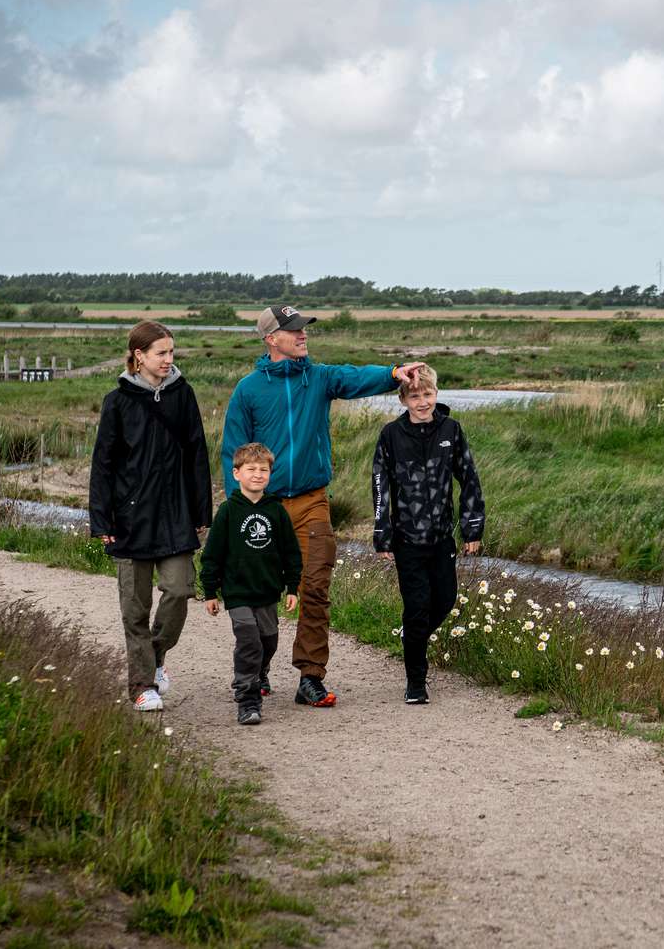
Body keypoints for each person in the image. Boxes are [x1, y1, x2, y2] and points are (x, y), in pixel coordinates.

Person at [220, 305, 423, 708]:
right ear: (270, 339)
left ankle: (310, 676)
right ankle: (257, 668)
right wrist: (239, 509)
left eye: (303, 328)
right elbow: (233, 453)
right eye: (293, 329)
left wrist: (392, 373)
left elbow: (353, 377)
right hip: (264, 506)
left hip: (312, 502)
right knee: (261, 593)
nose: (302, 335)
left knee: (314, 587)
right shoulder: (249, 390)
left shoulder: (319, 377)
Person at [89, 320, 211, 712]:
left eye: (171, 352)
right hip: (130, 520)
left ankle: (155, 657)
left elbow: (197, 454)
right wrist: (102, 520)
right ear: (139, 356)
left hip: (175, 515)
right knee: (135, 606)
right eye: (162, 353)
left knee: (179, 590)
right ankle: (142, 685)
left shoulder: (183, 395)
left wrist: (200, 511)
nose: (168, 360)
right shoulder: (117, 401)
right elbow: (103, 464)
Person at [371, 363, 485, 704]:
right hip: (407, 539)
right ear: (403, 399)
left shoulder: (451, 429)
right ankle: (416, 684)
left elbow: (469, 479)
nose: (423, 402)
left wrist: (472, 527)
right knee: (417, 608)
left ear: (436, 394)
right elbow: (380, 486)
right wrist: (382, 534)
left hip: (441, 539)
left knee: (445, 600)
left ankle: (412, 637)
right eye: (415, 396)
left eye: (428, 394)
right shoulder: (391, 435)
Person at [200, 443, 302, 725]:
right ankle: (247, 699)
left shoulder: (277, 511)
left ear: (270, 474)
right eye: (251, 469)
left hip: (268, 591)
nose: (257, 475)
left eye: (263, 470)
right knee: (249, 642)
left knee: (268, 642)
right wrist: (210, 591)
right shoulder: (228, 511)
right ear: (237, 473)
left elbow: (291, 552)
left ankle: (260, 671)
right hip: (237, 593)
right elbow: (212, 555)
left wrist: (292, 586)